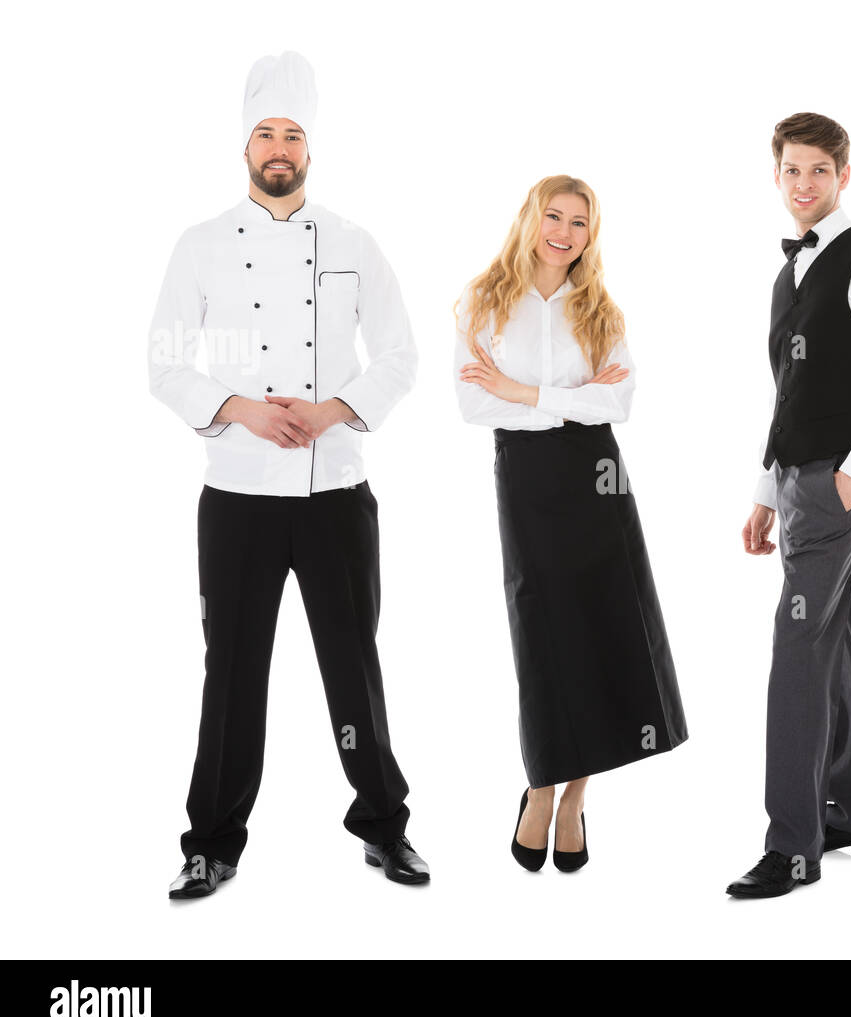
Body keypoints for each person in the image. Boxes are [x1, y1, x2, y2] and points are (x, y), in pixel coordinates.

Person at [150, 51, 427, 898]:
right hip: (236, 498)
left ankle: (385, 827)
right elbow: (164, 365)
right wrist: (238, 406)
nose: (279, 148)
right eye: (265, 133)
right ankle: (211, 842)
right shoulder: (199, 246)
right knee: (231, 670)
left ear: (311, 148)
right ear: (244, 148)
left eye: (293, 135)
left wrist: (330, 410)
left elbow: (401, 356)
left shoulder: (352, 242)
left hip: (334, 489)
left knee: (354, 663)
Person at [455, 175, 687, 873]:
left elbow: (618, 403)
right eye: (553, 216)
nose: (564, 231)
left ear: (592, 233)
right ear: (530, 219)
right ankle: (541, 786)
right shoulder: (483, 300)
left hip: (598, 480)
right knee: (546, 636)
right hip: (526, 480)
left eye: (579, 222)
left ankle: (577, 799)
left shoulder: (601, 311)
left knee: (608, 631)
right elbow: (475, 407)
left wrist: (525, 391)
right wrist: (571, 400)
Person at [727, 113, 851, 898]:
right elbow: (789, 392)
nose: (804, 185)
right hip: (796, 478)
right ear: (776, 178)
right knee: (844, 639)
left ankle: (794, 846)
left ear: (844, 175)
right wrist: (763, 490)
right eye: (791, 172)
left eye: (819, 170)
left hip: (837, 481)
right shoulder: (789, 275)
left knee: (798, 651)